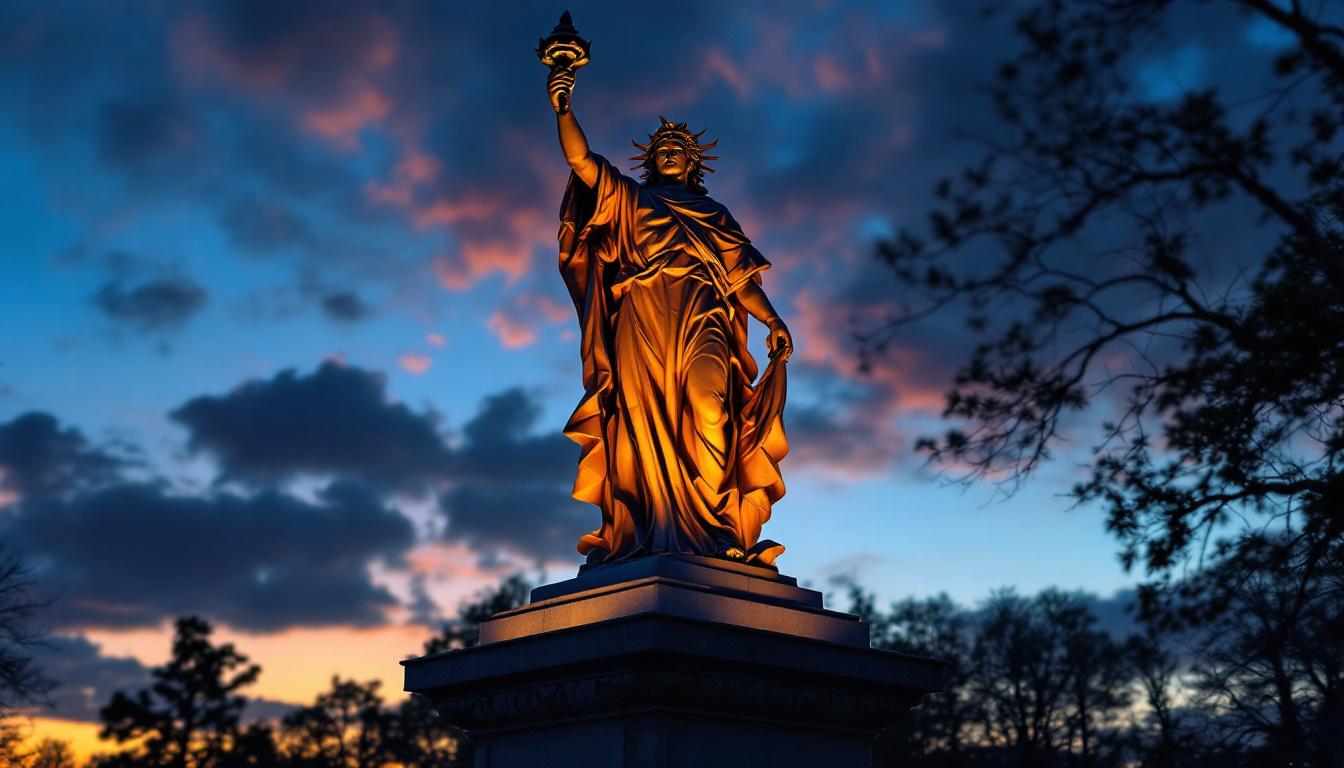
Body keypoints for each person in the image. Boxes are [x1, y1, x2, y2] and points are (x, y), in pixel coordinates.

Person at [549, 67, 793, 568]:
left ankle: (713, 526)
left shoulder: (715, 215)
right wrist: (563, 105)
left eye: (677, 150)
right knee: (641, 430)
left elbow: (741, 279)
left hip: (703, 316)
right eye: (660, 150)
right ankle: (654, 526)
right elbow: (580, 159)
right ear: (651, 163)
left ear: (693, 163)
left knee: (708, 410)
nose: (667, 154)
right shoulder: (629, 200)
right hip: (642, 317)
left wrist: (772, 321)